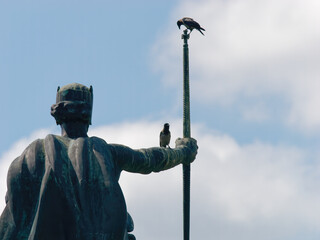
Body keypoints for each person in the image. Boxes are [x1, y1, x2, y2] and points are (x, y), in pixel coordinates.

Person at [0, 83, 198, 240]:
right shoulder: (104, 152)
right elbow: (149, 159)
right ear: (88, 116)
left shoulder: (30, 157)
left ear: (58, 116)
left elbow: (10, 222)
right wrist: (183, 152)